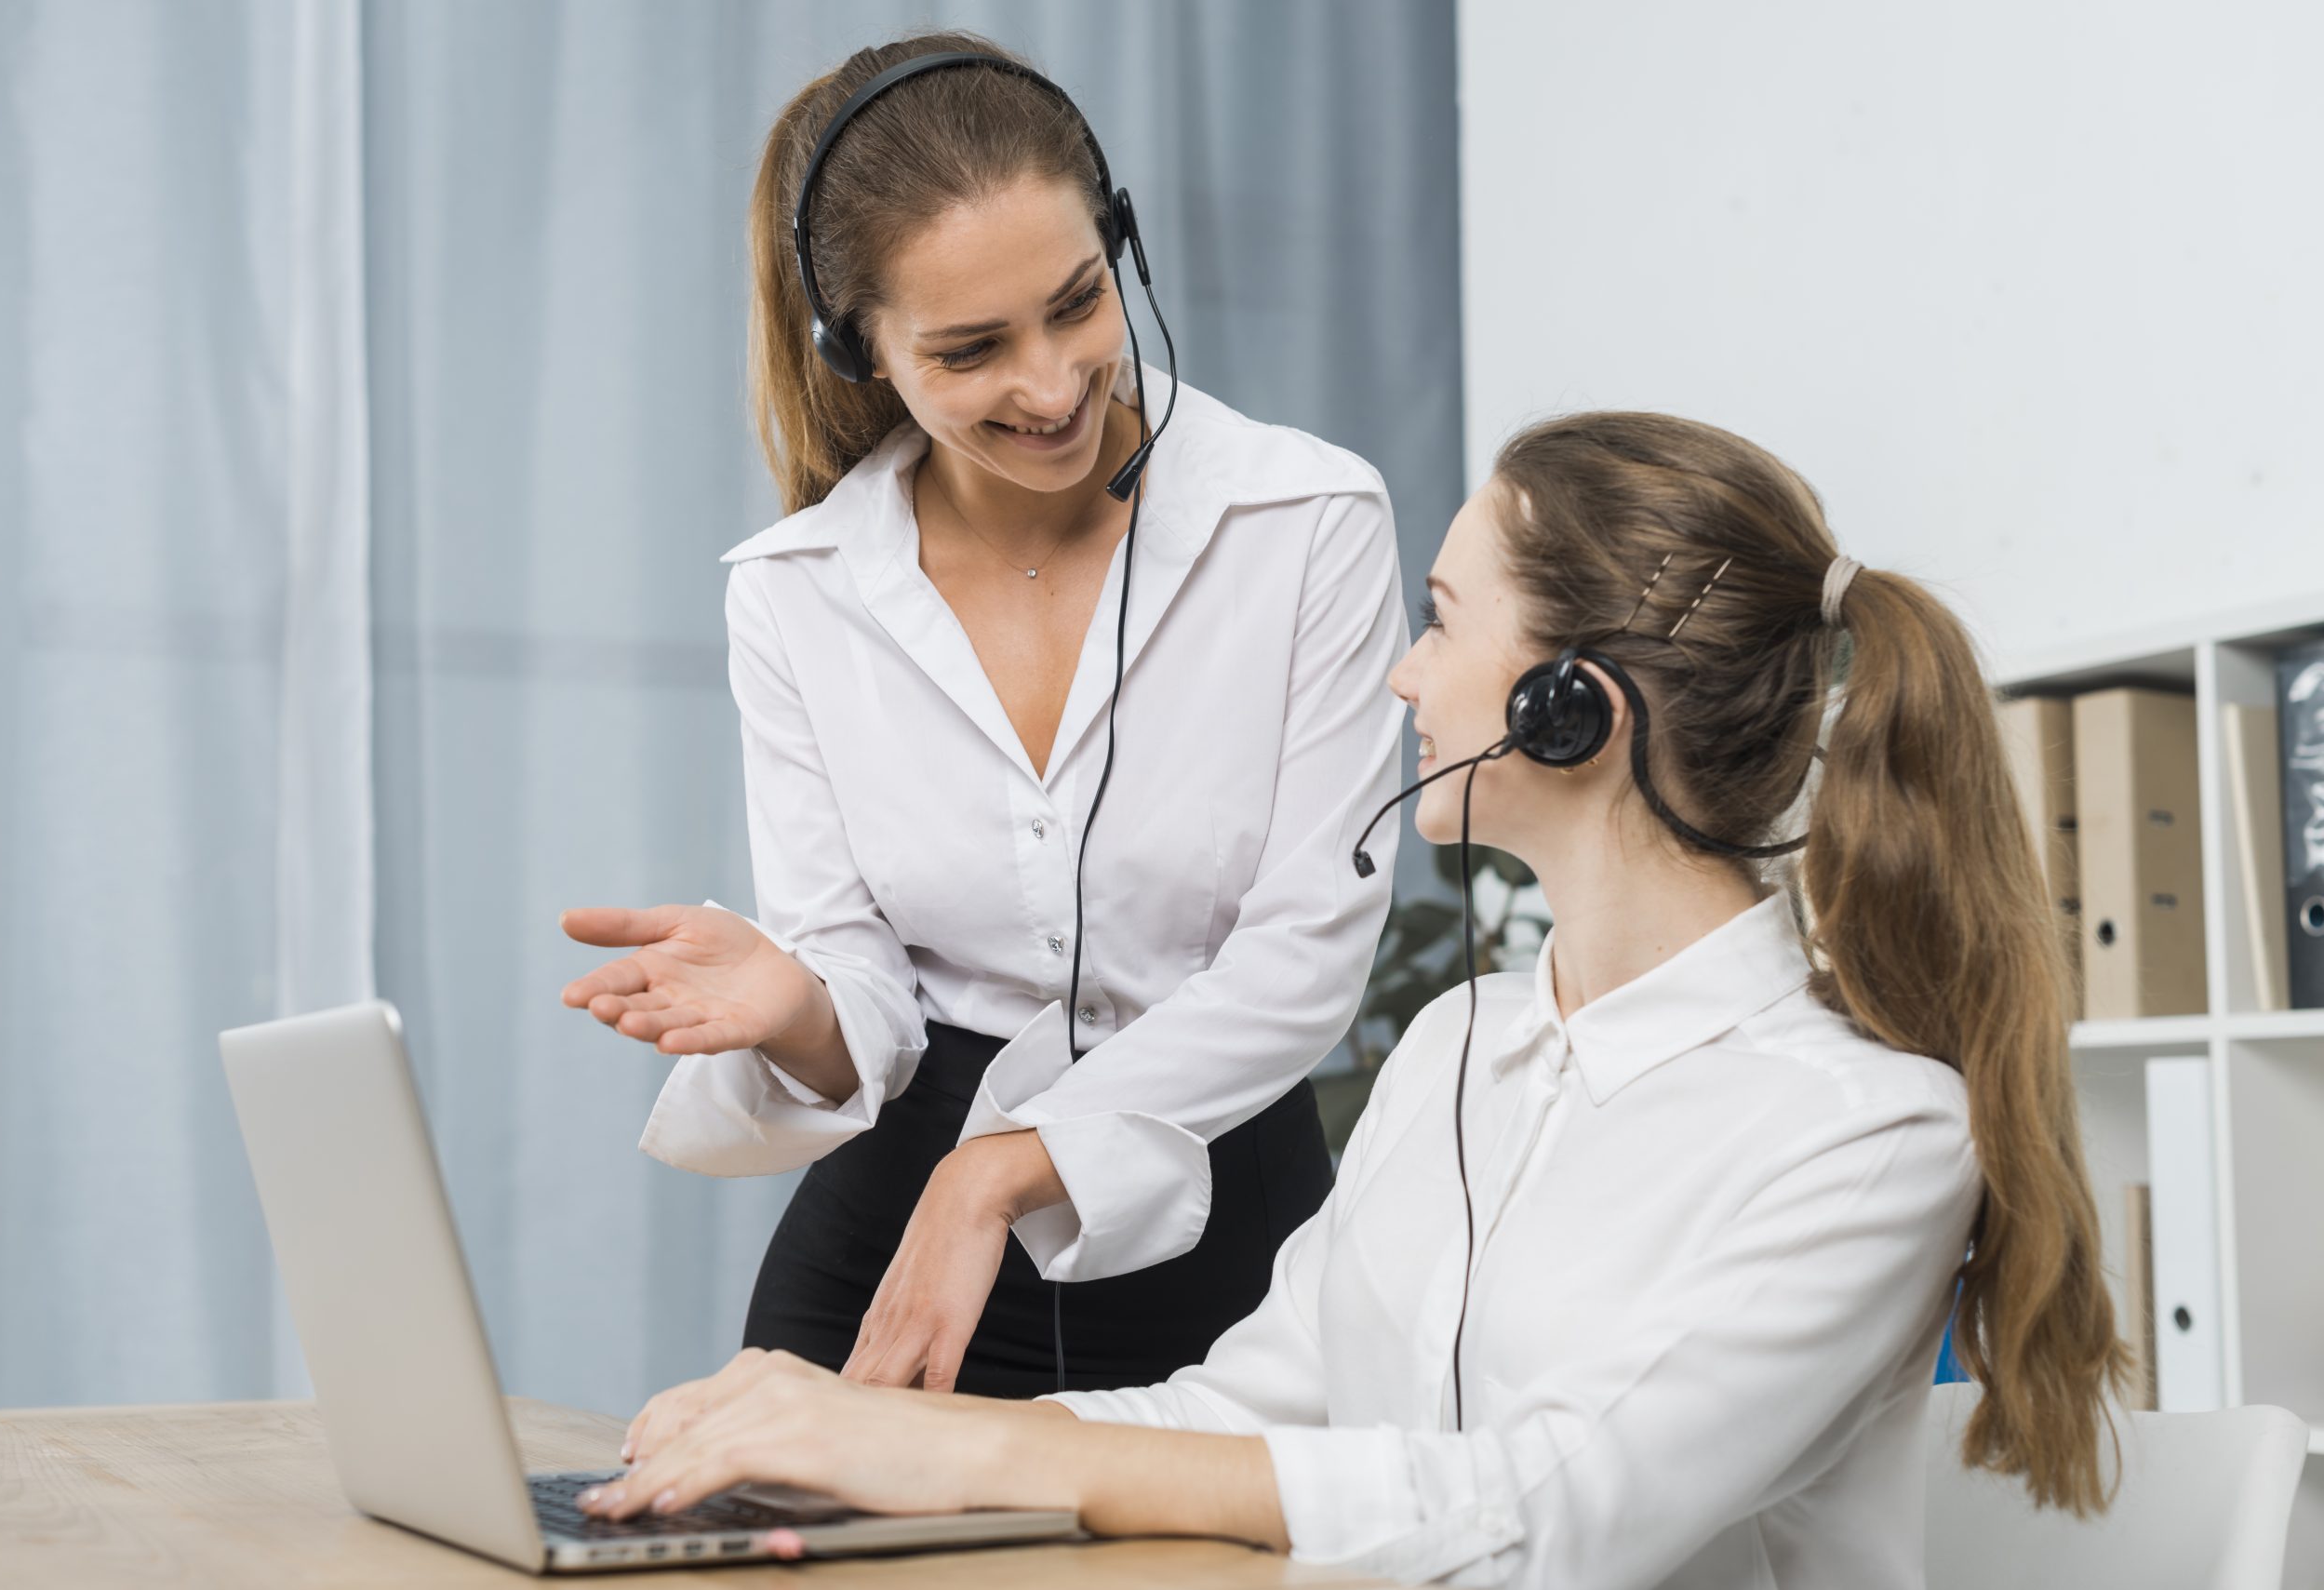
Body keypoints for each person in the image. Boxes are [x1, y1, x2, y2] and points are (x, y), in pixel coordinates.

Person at [576, 412, 2126, 1590]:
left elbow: (1554, 1512)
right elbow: (1242, 1409)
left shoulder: (1865, 1130)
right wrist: (871, 1446)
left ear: (1570, 705)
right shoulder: (1466, 1048)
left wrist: (947, 1447)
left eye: (1443, 619)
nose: (1400, 674)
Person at [557, 32, 1407, 1398]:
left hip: (1220, 1226)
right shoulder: (795, 595)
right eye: (971, 349)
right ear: (862, 351)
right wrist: (798, 1008)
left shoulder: (1305, 525)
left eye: (1078, 302)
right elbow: (867, 993)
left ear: (1118, 242)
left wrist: (1004, 1171)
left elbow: (1305, 956)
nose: (1054, 382)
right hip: (891, 1247)